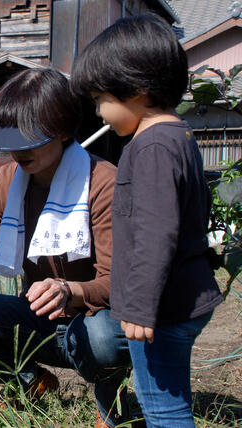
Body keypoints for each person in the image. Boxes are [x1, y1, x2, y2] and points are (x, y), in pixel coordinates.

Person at [0, 68, 134, 428]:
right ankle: (28, 380)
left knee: (106, 337)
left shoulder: (103, 184)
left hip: (90, 322)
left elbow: (118, 284)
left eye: (31, 140)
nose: (19, 151)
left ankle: (112, 402)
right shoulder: (10, 180)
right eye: (12, 140)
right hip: (38, 322)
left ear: (64, 131)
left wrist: (69, 291)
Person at [70, 14, 224, 427]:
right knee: (169, 398)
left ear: (137, 89)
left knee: (163, 409)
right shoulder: (179, 137)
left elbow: (156, 233)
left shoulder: (152, 145)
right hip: (180, 298)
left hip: (163, 308)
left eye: (102, 99)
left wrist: (138, 308)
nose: (99, 113)